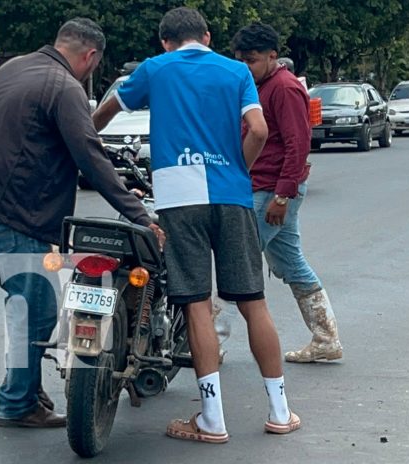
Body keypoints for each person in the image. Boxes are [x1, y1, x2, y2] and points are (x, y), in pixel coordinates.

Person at [93, 7, 301, 442]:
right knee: (253, 303)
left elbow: (107, 110)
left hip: (178, 197)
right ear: (207, 36)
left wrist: (83, 142)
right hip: (231, 195)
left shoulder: (154, 68)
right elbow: (259, 130)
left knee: (196, 303)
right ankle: (280, 412)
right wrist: (237, 172)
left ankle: (212, 419)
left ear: (165, 41)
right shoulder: (236, 70)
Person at [0, 18, 163, 428]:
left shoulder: (15, 67)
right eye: (94, 67)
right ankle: (17, 405)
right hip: (7, 214)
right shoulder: (65, 87)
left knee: (25, 301)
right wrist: (137, 213)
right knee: (37, 308)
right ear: (91, 56)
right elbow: (88, 154)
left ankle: (27, 388)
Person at [232, 23, 343, 363]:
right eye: (240, 61)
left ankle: (210, 341)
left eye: (251, 60)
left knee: (236, 262)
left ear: (272, 56)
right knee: (291, 263)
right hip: (263, 186)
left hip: (271, 190)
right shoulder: (256, 87)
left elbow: (298, 144)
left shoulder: (284, 88)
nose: (245, 67)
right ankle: (325, 338)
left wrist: (282, 196)